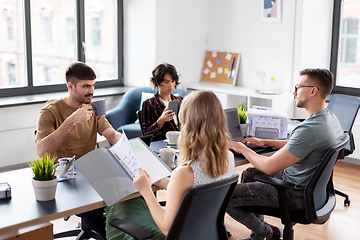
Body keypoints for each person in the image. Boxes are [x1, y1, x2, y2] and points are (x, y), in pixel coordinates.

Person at [226, 68, 343, 240]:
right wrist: (266, 142)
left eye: (298, 87)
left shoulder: (310, 129)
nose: (294, 92)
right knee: (249, 175)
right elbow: (301, 144)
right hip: (309, 188)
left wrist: (242, 148)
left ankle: (265, 231)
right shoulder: (329, 119)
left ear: (313, 91)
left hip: (294, 195)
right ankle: (258, 235)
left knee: (225, 196)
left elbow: (267, 166)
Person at [105, 90, 235, 239]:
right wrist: (157, 179)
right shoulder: (228, 158)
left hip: (175, 234)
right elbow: (195, 185)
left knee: (119, 206)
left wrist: (146, 189)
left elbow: (168, 229)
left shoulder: (185, 173)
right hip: (202, 232)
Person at [35, 62, 122, 240]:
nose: (91, 91)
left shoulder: (94, 107)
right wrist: (70, 121)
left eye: (93, 85)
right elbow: (42, 151)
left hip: (92, 172)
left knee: (127, 197)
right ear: (70, 86)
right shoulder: (49, 112)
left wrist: (134, 145)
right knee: (95, 212)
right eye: (86, 86)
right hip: (65, 176)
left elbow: (112, 135)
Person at [140, 63, 183, 141]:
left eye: (173, 81)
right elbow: (146, 134)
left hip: (181, 143)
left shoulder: (180, 101)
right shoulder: (149, 104)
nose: (171, 85)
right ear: (157, 82)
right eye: (166, 82)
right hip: (161, 145)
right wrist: (161, 120)